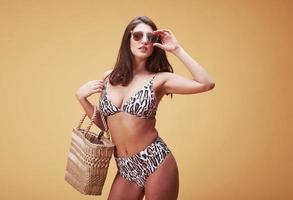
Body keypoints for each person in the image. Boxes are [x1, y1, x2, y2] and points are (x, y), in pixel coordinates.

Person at [75, 16, 215, 200]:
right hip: (125, 167)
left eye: (151, 37)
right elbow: (107, 126)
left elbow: (207, 83)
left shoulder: (160, 80)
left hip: (155, 161)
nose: (145, 41)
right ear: (128, 40)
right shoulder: (110, 77)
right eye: (138, 35)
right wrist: (82, 98)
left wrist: (177, 49)